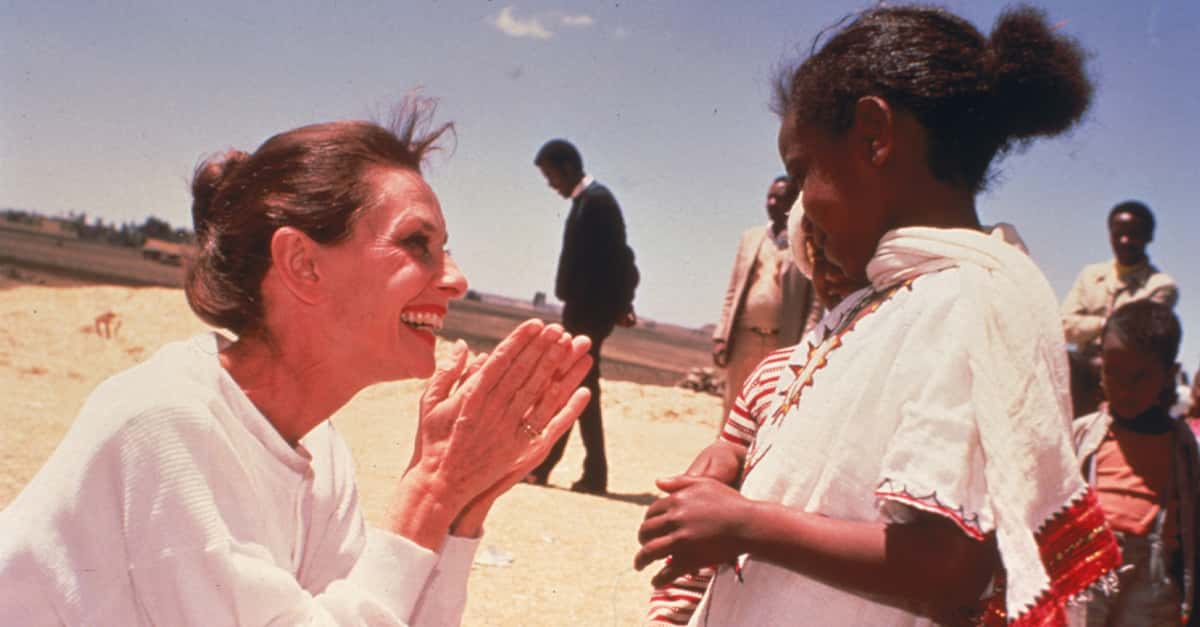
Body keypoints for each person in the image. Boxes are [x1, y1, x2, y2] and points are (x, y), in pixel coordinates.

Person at [0, 101, 594, 625]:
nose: (457, 280)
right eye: (417, 244)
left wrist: (464, 509)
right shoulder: (166, 423)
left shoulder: (319, 451)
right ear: (303, 265)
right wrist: (432, 493)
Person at [635, 5, 1121, 625]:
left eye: (801, 169)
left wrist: (745, 523)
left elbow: (949, 566)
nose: (802, 205)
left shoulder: (970, 303)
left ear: (874, 136)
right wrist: (733, 471)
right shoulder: (884, 302)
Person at [1072, 301, 1200, 625]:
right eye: (1112, 373)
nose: (1124, 389)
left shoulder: (1183, 445)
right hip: (1088, 563)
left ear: (1169, 375)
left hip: (1153, 576)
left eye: (1140, 377)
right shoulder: (1085, 433)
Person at [526, 139, 640, 495]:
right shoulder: (585, 202)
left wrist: (622, 304)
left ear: (566, 168)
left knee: (576, 385)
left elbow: (623, 259)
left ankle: (562, 469)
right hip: (582, 310)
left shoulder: (598, 202)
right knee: (579, 386)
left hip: (591, 313)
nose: (550, 184)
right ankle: (584, 472)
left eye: (550, 175)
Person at [712, 176, 822, 417]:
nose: (772, 203)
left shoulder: (807, 241)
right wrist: (722, 334)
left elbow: (815, 303)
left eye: (779, 198)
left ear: (794, 202)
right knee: (733, 408)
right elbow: (732, 290)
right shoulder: (751, 237)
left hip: (781, 344)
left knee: (768, 411)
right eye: (769, 197)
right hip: (744, 339)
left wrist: (806, 344)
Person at [1062, 200, 1178, 354]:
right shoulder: (1090, 276)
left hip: (1128, 372)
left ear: (1149, 237)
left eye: (1133, 234)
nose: (1124, 241)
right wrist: (1105, 324)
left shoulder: (1161, 286)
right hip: (1083, 368)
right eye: (1118, 234)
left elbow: (1135, 334)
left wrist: (1088, 328)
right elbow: (1063, 326)